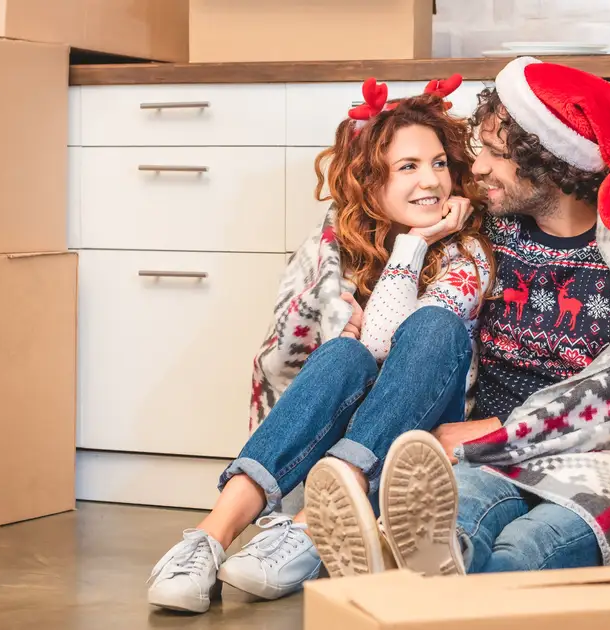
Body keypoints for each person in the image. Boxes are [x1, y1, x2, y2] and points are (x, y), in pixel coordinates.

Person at [303, 58, 610, 611]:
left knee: (529, 546)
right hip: (485, 460)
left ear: (553, 163)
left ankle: (401, 582)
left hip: (601, 463)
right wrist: (347, 302)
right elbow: (362, 216)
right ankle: (419, 573)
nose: (479, 166)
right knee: (451, 524)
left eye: (497, 154)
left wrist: (498, 429)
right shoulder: (483, 229)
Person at [147, 75, 495, 614]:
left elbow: (384, 337)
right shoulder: (337, 244)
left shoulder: (465, 253)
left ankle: (316, 521)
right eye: (408, 167)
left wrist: (415, 244)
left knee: (432, 328)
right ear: (370, 182)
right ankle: (209, 538)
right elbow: (307, 351)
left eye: (438, 163)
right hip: (351, 430)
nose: (432, 181)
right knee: (342, 355)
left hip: (419, 442)